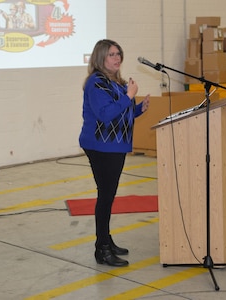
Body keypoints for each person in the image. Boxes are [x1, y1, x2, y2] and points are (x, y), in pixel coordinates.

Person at [78, 39, 150, 267]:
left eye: (119, 53)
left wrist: (138, 109)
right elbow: (105, 114)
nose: (117, 57)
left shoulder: (116, 82)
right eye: (111, 54)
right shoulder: (96, 83)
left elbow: (120, 113)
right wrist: (129, 97)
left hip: (114, 145)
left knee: (108, 196)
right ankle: (102, 249)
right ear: (100, 58)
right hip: (101, 147)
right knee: (106, 196)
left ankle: (106, 239)